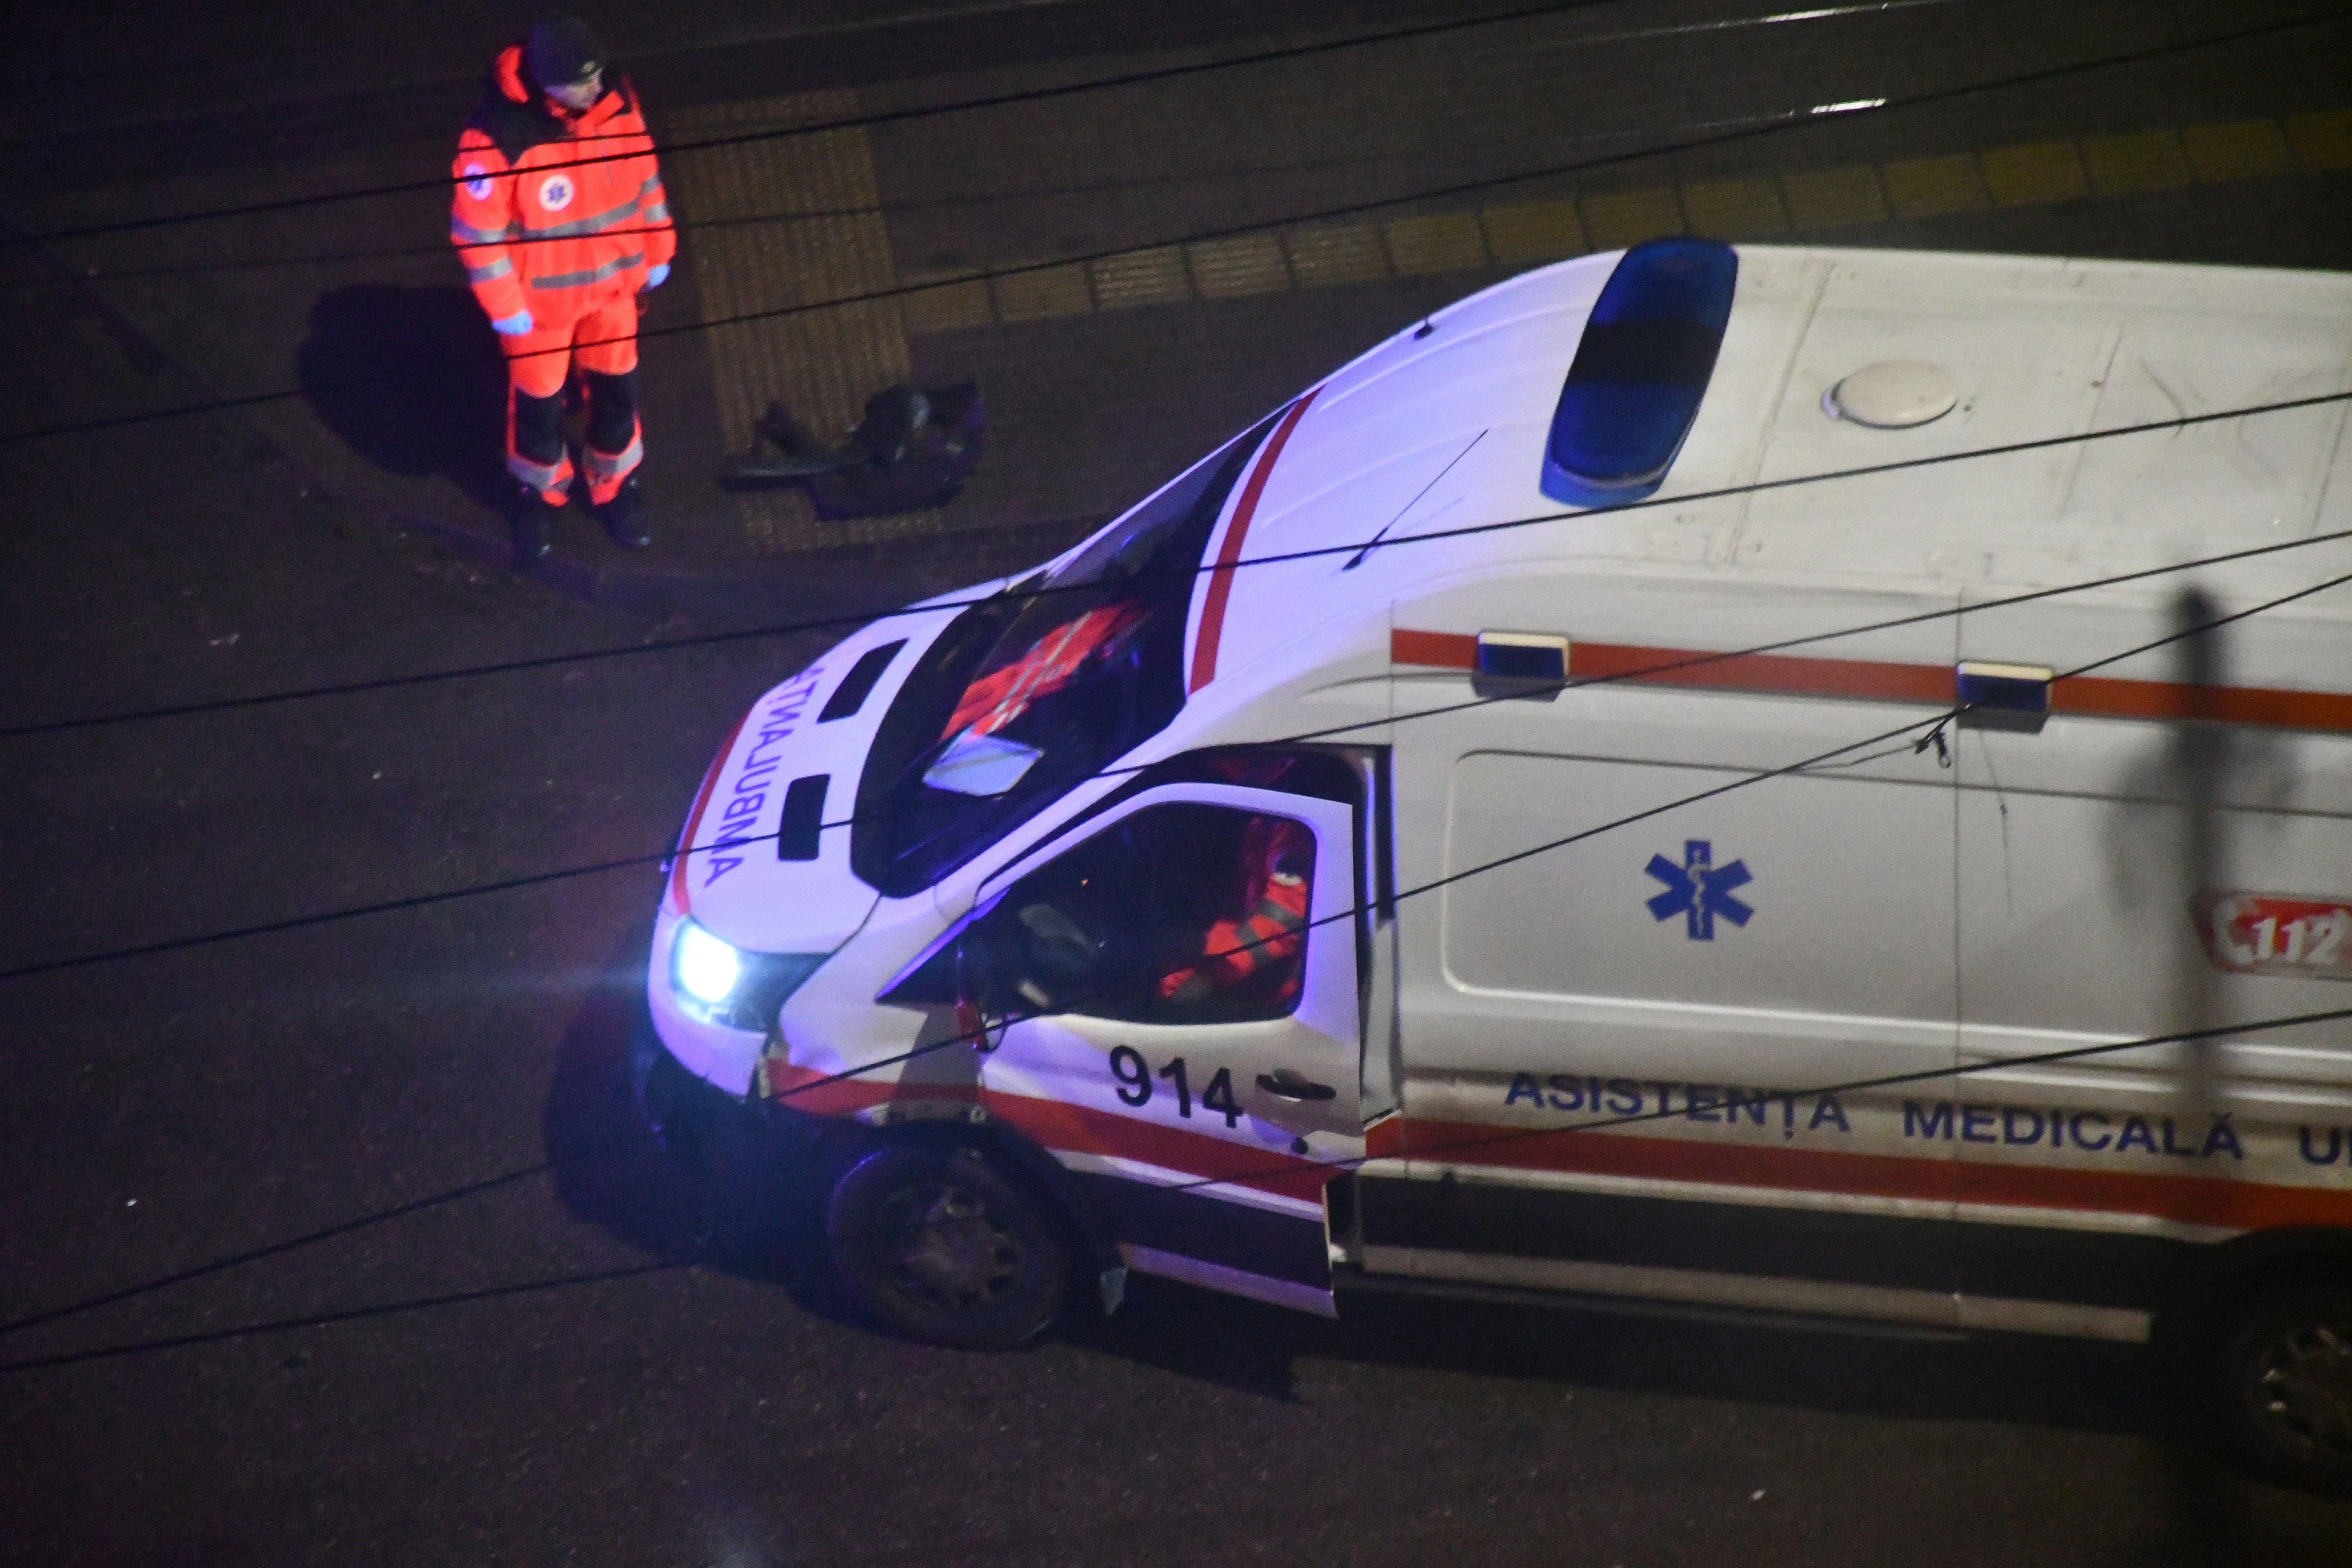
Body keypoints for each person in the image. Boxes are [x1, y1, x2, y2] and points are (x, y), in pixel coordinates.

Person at [450, 16, 675, 565]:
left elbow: (644, 177)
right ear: (547, 83)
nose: (594, 90)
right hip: (541, 310)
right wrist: (506, 308)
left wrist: (659, 246)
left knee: (618, 394)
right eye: (582, 82)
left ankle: (615, 484)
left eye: (597, 75)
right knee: (539, 411)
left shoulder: (615, 105)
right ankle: (539, 491)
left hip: (614, 294)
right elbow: (479, 236)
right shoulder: (497, 139)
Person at [1155, 816, 1314, 1011]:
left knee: (1175, 991)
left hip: (1283, 988)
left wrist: (1211, 974)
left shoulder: (1291, 827)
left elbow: (1284, 919)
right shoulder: (1264, 819)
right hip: (1249, 951)